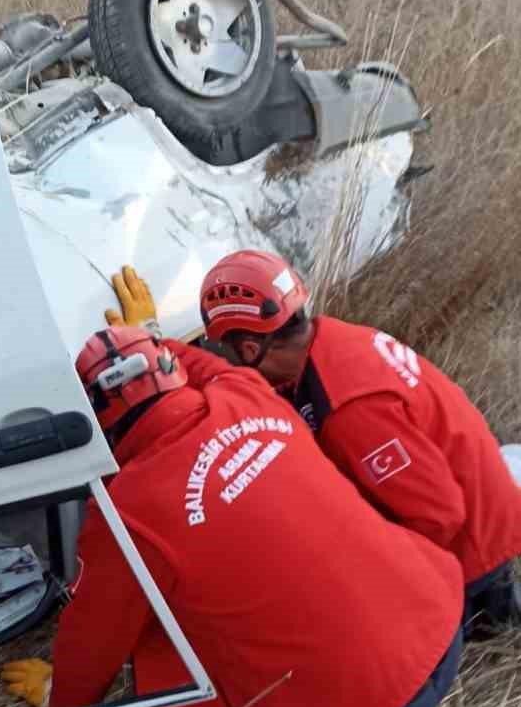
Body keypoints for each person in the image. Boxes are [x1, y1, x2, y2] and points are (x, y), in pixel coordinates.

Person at [2, 322, 463, 707]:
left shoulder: (127, 515)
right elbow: (208, 368)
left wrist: (61, 700)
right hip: (440, 629)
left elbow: (94, 638)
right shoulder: (247, 396)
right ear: (173, 372)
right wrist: (148, 339)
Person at [104, 258, 521, 640]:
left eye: (226, 348)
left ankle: (484, 610)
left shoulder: (349, 410)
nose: (227, 358)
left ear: (251, 348)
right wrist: (154, 349)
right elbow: (241, 388)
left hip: (470, 547)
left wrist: (367, 566)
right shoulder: (328, 343)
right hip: (475, 506)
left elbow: (438, 517)